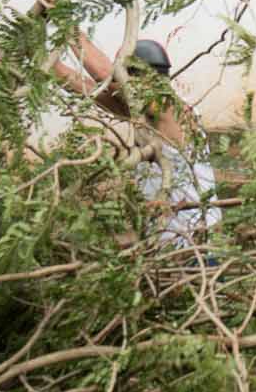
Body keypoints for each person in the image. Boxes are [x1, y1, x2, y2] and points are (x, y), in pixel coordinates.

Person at [56, 32, 220, 246]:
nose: (114, 82)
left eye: (120, 77)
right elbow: (86, 88)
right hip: (168, 249)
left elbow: (102, 74)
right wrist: (43, 58)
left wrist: (67, 27)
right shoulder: (143, 115)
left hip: (194, 246)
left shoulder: (170, 109)